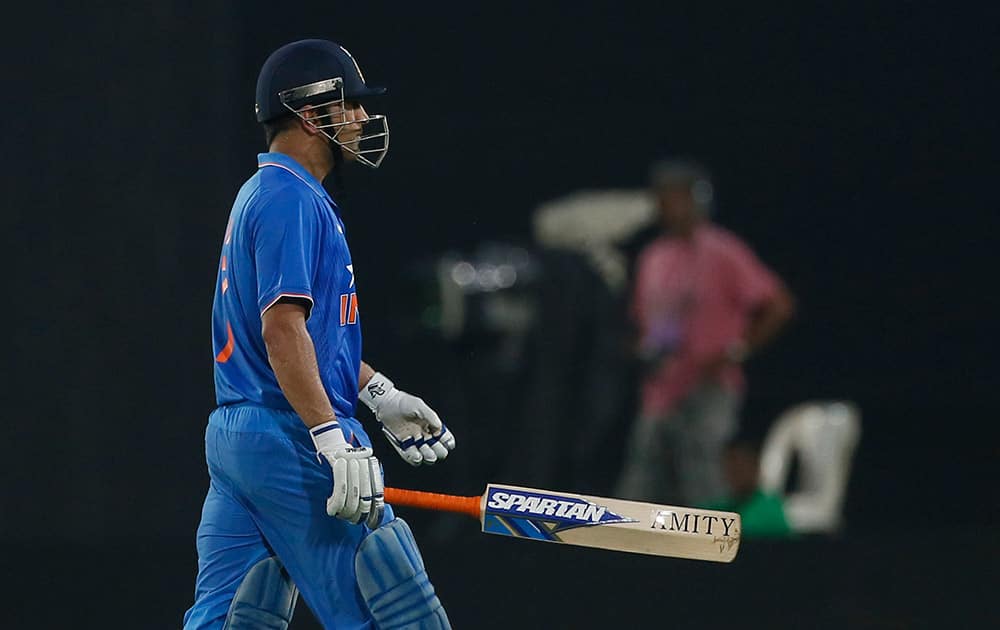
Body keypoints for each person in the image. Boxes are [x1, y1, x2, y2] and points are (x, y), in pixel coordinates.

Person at [183, 39, 456, 630]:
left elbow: (305, 337)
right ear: (312, 115)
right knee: (392, 611)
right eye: (350, 105)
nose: (361, 118)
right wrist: (330, 437)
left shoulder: (263, 192)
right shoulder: (289, 197)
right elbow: (282, 332)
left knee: (229, 620)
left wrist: (380, 394)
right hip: (290, 434)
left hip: (242, 437)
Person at [615, 159, 795, 507]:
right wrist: (639, 351)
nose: (666, 205)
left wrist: (736, 351)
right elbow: (642, 322)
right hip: (659, 390)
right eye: (662, 197)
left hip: (708, 387)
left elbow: (779, 305)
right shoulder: (653, 256)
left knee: (704, 481)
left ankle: (714, 557)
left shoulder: (722, 250)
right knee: (643, 481)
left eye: (676, 196)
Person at [703, 438, 792, 538]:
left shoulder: (771, 510)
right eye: (731, 464)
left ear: (755, 465)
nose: (735, 471)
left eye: (741, 464)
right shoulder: (714, 510)